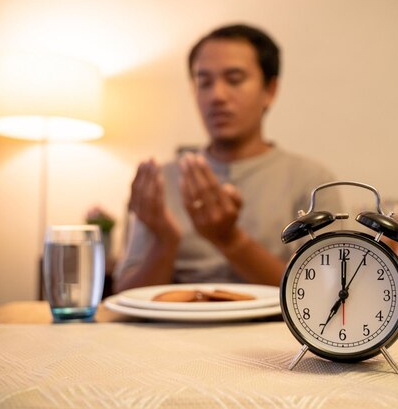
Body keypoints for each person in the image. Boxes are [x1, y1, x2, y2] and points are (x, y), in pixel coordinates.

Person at [113, 24, 341, 292]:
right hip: (175, 331)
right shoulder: (161, 181)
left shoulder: (312, 181)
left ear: (270, 90)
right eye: (204, 82)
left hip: (275, 332)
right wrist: (165, 241)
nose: (217, 96)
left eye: (234, 79)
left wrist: (231, 240)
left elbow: (329, 292)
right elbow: (126, 295)